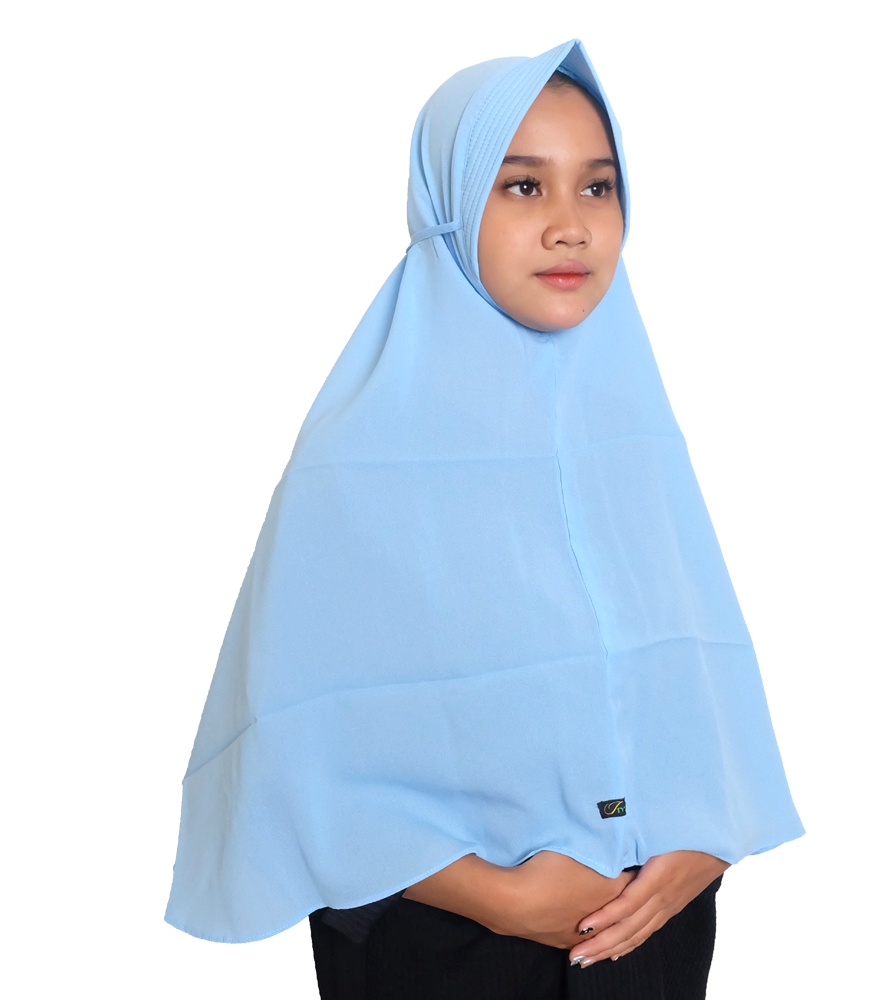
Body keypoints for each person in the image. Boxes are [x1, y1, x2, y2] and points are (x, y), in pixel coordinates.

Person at [166, 39, 803, 999]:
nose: (570, 227)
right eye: (522, 187)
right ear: (452, 204)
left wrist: (705, 841)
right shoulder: (357, 459)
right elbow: (299, 755)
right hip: (450, 951)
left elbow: (690, 681)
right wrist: (499, 899)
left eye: (597, 187)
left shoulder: (633, 438)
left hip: (653, 934)